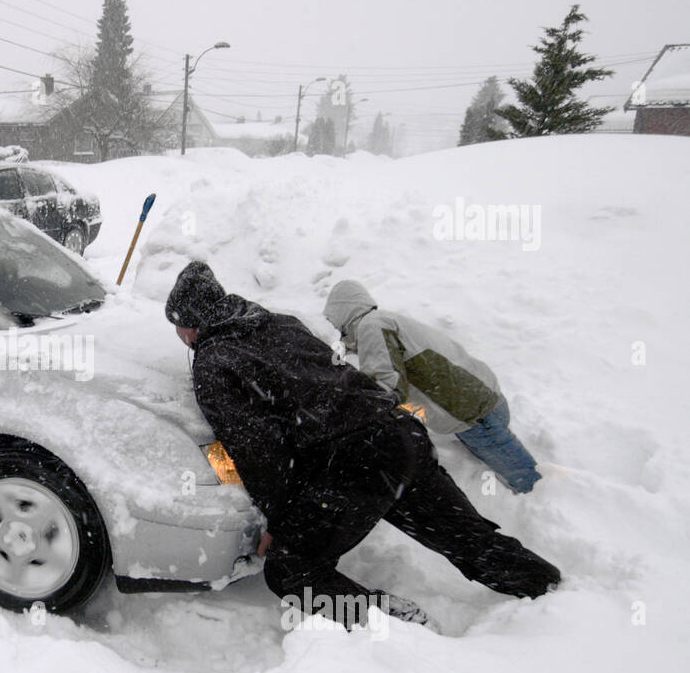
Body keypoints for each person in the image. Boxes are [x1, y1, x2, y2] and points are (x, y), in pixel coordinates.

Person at [165, 261, 560, 630]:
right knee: (465, 539)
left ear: (190, 324)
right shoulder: (278, 323)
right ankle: (550, 591)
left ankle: (393, 625)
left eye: (178, 327)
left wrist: (280, 523)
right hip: (401, 433)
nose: (180, 336)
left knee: (291, 570)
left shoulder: (215, 362)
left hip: (355, 462)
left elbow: (259, 450)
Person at [323, 279, 541, 494]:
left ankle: (542, 504)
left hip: (474, 416)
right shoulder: (382, 322)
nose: (334, 326)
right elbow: (385, 356)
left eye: (333, 320)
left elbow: (385, 382)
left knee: (527, 481)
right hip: (477, 403)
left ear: (343, 311)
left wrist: (357, 413)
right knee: (503, 466)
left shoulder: (372, 327)